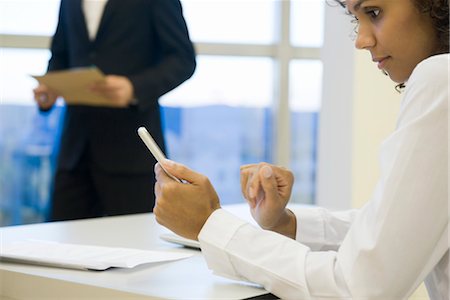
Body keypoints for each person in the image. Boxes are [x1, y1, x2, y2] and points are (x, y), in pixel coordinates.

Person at [153, 0, 449, 299]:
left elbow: (358, 287)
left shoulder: (440, 76)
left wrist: (210, 225)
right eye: (355, 19)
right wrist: (287, 225)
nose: (361, 40)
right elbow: (398, 231)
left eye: (373, 13)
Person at [33, 0, 196, 221]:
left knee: (138, 246)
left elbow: (183, 59)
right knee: (59, 243)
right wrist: (50, 86)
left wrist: (134, 88)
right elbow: (61, 53)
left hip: (130, 150)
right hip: (75, 150)